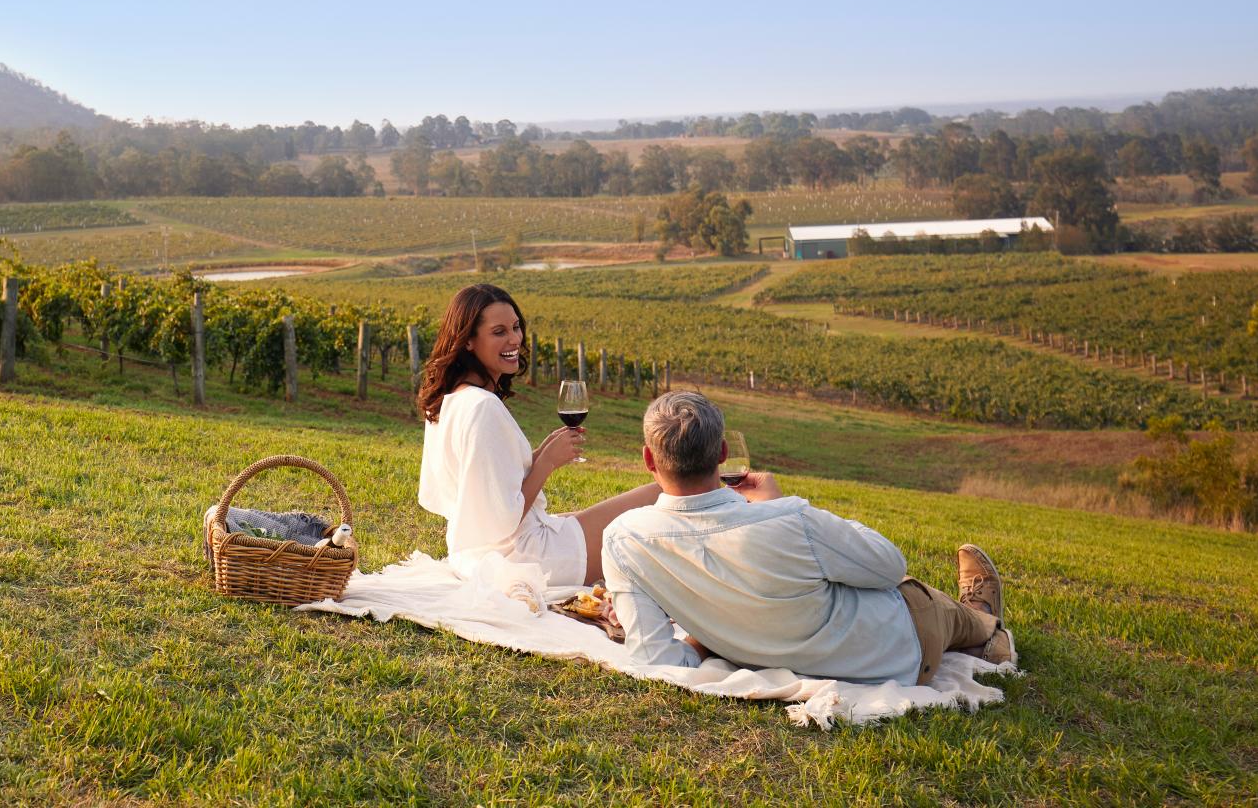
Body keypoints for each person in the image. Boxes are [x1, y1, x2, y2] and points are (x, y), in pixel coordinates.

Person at [602, 391, 1013, 685]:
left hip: (815, 650)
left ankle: (976, 622)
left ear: (648, 459)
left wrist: (711, 634)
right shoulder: (790, 518)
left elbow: (656, 659)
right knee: (925, 599)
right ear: (723, 452)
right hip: (896, 654)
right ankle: (984, 622)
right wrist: (774, 506)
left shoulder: (624, 540)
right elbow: (888, 567)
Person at [417, 283, 660, 587]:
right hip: (526, 559)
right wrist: (547, 464)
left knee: (619, 510)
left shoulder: (449, 400)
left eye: (516, 327)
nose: (514, 339)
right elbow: (503, 519)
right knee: (661, 494)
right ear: (467, 341)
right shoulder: (483, 407)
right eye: (499, 332)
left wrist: (537, 455)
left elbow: (478, 486)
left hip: (473, 554)